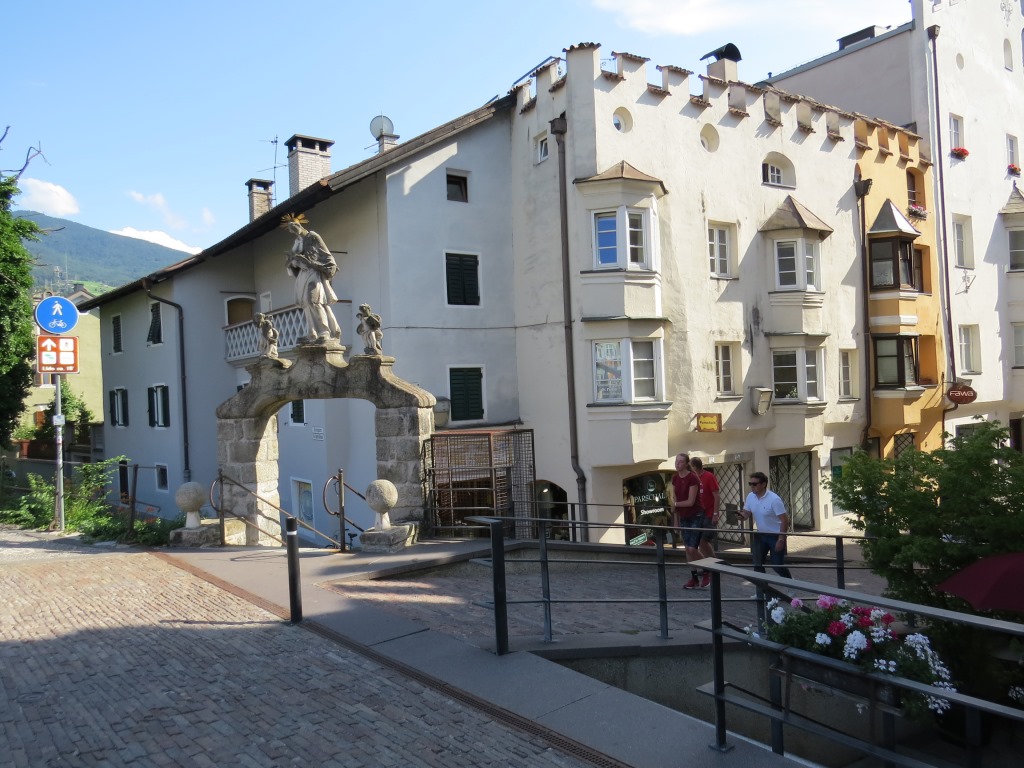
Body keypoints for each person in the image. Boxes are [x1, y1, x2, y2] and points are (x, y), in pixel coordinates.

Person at [282, 213, 342, 343]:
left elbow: (326, 254)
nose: (293, 231)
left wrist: (325, 265)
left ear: (299, 225)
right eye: (291, 230)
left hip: (314, 272)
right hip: (303, 274)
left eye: (294, 227)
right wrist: (291, 260)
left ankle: (325, 332)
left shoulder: (313, 236)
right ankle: (312, 333)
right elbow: (294, 262)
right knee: (306, 303)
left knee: (313, 299)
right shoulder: (297, 242)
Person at [740, 471, 792, 578]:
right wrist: (741, 516)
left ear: (763, 484)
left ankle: (791, 584)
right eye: (750, 484)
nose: (752, 486)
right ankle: (762, 588)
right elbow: (746, 513)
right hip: (760, 535)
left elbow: (785, 520)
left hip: (775, 536)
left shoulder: (774, 499)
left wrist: (781, 539)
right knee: (757, 564)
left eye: (754, 484)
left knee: (777, 566)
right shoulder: (750, 496)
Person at [668, 453, 703, 589]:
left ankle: (709, 569)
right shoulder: (675, 478)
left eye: (680, 462)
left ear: (686, 464)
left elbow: (690, 501)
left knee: (692, 548)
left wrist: (675, 505)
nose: (677, 464)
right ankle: (694, 578)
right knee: (687, 550)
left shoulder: (693, 478)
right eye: (676, 461)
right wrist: (676, 521)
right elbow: (675, 500)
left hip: (696, 515)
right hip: (683, 516)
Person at [690, 457, 720, 588]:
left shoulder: (709, 477)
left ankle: (715, 565)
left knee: (704, 541)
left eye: (691, 467)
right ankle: (711, 566)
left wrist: (715, 513)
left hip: (709, 514)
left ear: (696, 467)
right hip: (698, 515)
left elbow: (716, 496)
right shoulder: (693, 478)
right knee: (700, 543)